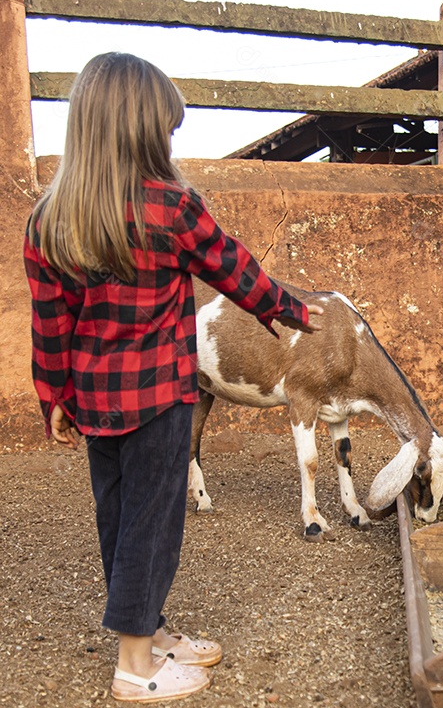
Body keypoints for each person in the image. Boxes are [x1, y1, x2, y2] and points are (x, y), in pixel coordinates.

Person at [24, 52, 322, 703]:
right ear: (142, 130)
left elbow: (51, 326)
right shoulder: (174, 208)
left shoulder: (48, 220)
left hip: (95, 400)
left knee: (119, 520)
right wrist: (296, 311)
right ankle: (136, 668)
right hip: (160, 400)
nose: (169, 139)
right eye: (165, 127)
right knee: (150, 526)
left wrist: (56, 399)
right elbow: (237, 272)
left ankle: (150, 631)